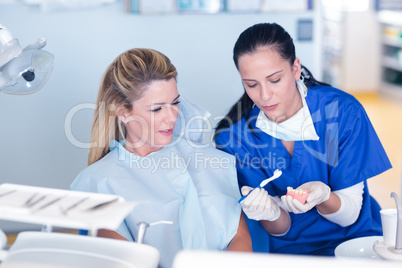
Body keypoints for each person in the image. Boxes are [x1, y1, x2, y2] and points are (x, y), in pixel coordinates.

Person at [214, 22, 392, 255]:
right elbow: (281, 229)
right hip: (291, 252)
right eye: (251, 84)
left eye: (275, 80)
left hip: (355, 242)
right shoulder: (236, 140)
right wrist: (271, 213)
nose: (265, 96)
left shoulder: (342, 112)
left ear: (295, 69)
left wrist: (324, 196)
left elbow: (348, 216)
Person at [70, 48, 252, 268]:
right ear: (123, 112)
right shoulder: (99, 183)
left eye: (175, 103)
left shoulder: (209, 160)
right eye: (157, 109)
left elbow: (239, 237)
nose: (172, 117)